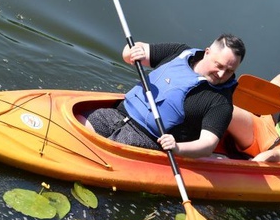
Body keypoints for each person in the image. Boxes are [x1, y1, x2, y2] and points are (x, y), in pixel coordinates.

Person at [86, 33, 246, 158]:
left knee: (96, 152)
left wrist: (177, 148)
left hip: (146, 139)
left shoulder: (221, 102)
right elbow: (135, 49)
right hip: (117, 115)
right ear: (207, 53)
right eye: (218, 65)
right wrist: (132, 53)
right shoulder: (180, 52)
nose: (221, 74)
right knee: (82, 124)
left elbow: (208, 145)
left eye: (229, 71)